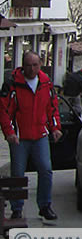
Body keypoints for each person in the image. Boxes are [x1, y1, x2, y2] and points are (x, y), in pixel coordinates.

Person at [0, 51, 62, 220]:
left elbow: (52, 108)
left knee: (46, 169)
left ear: (40, 65)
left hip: (40, 134)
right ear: (23, 65)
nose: (32, 68)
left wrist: (55, 128)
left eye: (35, 65)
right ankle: (17, 209)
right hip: (19, 136)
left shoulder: (46, 82)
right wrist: (9, 133)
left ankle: (44, 206)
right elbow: (4, 111)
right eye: (28, 65)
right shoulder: (12, 83)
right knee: (18, 174)